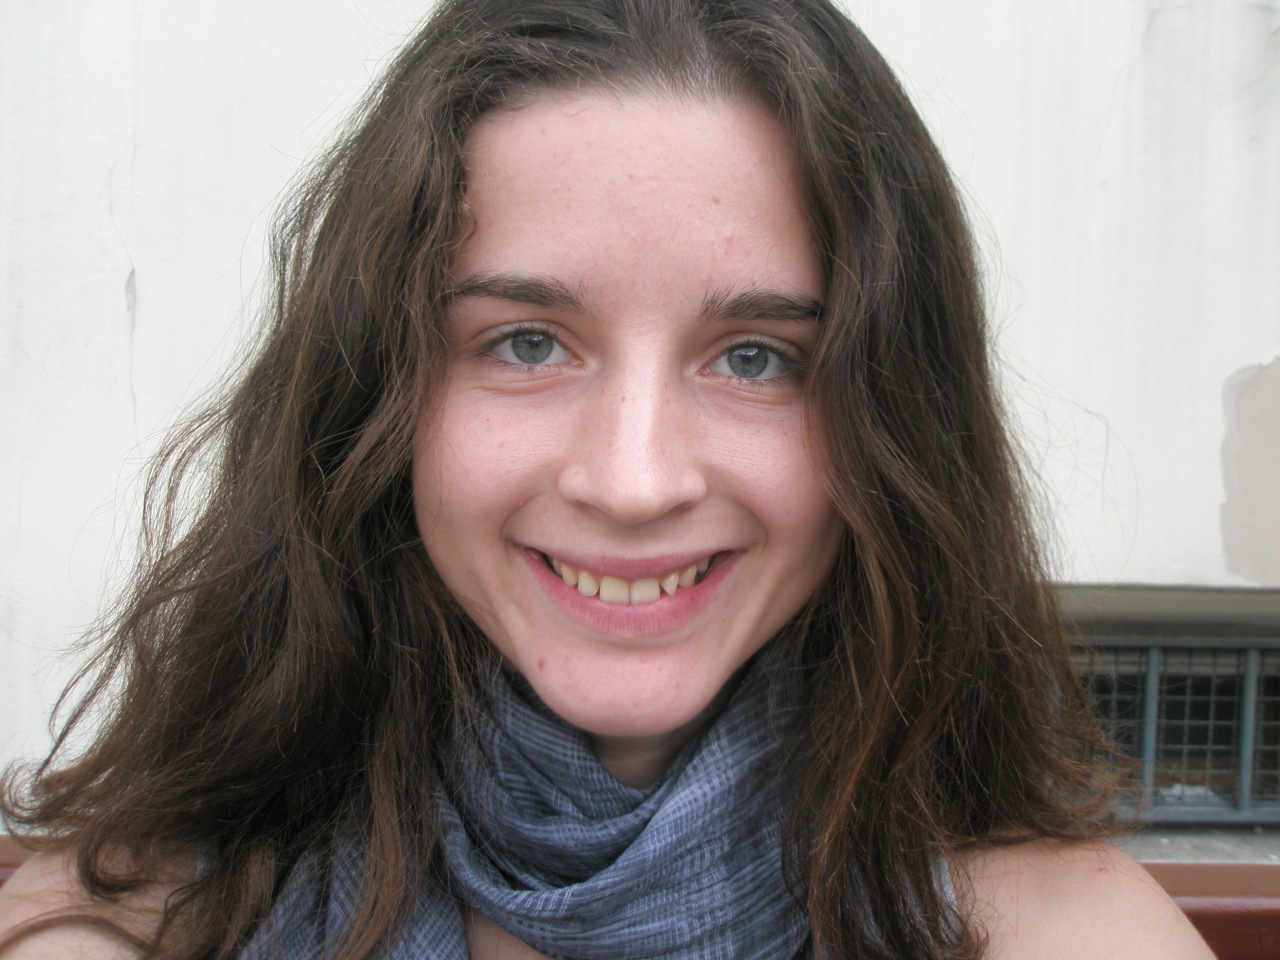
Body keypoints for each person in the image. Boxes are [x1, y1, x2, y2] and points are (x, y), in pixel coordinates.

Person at [0, 1, 1215, 957]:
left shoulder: (1068, 938)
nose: (633, 483)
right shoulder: (131, 920)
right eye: (527, 343)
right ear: (374, 401)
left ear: (895, 422)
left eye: (755, 357)